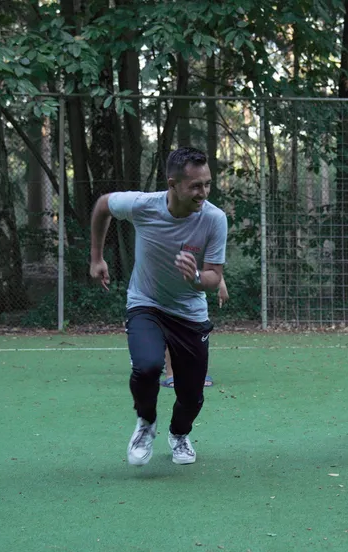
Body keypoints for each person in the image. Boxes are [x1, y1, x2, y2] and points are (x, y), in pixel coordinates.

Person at [89, 146, 228, 467]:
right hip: (146, 303)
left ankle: (179, 434)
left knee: (192, 396)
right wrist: (96, 258)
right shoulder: (143, 206)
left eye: (207, 184)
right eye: (195, 186)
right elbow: (103, 205)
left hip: (190, 313)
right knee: (148, 367)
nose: (204, 192)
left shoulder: (214, 219)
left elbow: (214, 277)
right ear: (173, 184)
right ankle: (146, 423)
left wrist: (195, 277)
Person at [161, 276, 229, 388]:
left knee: (199, 336)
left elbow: (213, 268)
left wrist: (222, 285)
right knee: (171, 333)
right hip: (169, 295)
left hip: (196, 298)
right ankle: (171, 374)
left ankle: (202, 374)